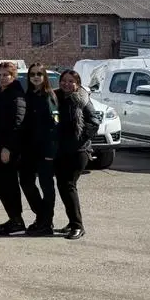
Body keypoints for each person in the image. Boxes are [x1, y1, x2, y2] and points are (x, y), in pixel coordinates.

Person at [54, 70, 100, 240]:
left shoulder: (82, 99)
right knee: (63, 186)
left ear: (78, 83)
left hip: (78, 152)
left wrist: (76, 141)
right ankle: (72, 221)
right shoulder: (56, 97)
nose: (67, 84)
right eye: (64, 81)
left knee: (68, 186)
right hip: (60, 151)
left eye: (71, 81)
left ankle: (78, 226)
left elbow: (94, 123)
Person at [0, 61, 27, 236]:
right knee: (0, 181)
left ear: (14, 76)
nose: (3, 78)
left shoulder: (16, 96)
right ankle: (15, 218)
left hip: (9, 149)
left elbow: (17, 124)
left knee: (6, 183)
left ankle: (17, 220)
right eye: (0, 75)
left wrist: (7, 148)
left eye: (6, 75)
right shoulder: (0, 91)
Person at [22, 63, 59, 236]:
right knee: (26, 183)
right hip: (29, 149)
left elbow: (54, 126)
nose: (35, 77)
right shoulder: (29, 95)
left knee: (47, 187)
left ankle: (46, 223)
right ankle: (42, 216)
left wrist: (51, 153)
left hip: (45, 151)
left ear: (44, 76)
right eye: (32, 74)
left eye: (39, 74)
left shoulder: (48, 96)